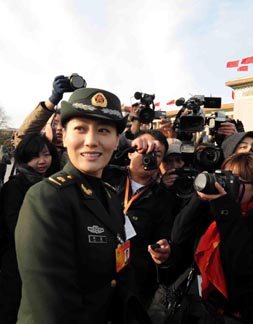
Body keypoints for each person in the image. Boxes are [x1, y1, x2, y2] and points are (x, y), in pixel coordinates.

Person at [15, 87, 156, 324]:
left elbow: (120, 271)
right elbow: (50, 307)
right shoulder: (47, 197)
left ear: (116, 141)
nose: (91, 141)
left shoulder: (110, 195)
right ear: (64, 135)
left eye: (103, 131)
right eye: (80, 129)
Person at [164, 153, 253, 324]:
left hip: (242, 315)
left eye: (236, 180)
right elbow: (178, 235)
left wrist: (225, 209)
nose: (226, 184)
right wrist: (199, 200)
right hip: (204, 311)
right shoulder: (216, 212)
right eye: (224, 176)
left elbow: (242, 264)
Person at [103, 129, 174, 307]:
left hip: (136, 278)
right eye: (144, 150)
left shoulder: (164, 197)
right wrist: (126, 144)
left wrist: (163, 249)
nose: (149, 157)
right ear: (131, 152)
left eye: (157, 154)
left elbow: (163, 236)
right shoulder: (107, 174)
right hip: (98, 268)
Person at [0, 133, 60, 324]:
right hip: (17, 264)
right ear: (24, 159)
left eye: (45, 154)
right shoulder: (15, 188)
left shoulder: (57, 184)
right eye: (34, 157)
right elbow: (16, 227)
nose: (42, 161)